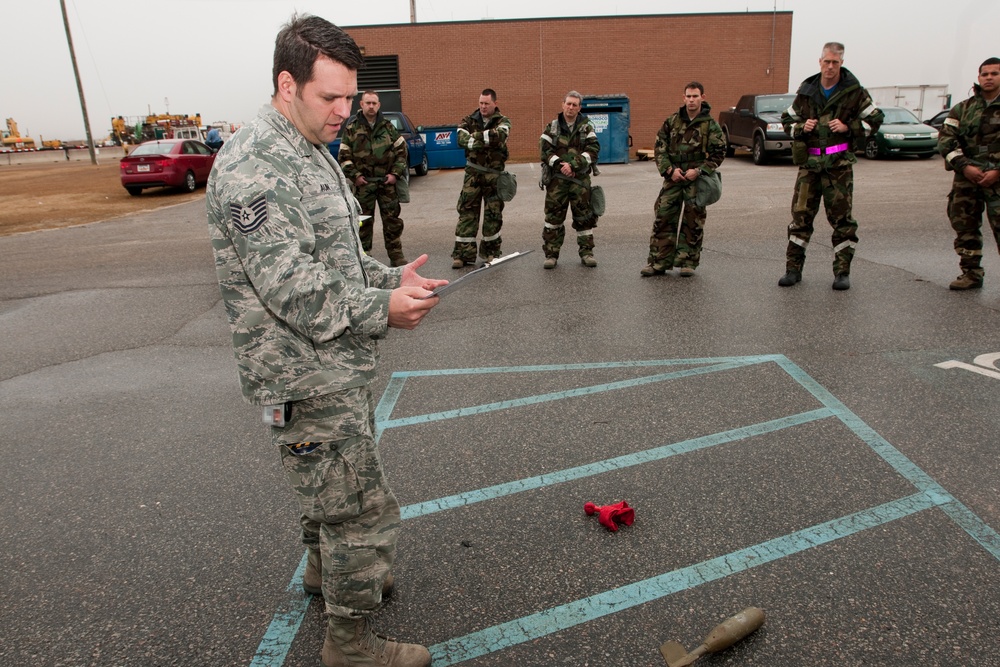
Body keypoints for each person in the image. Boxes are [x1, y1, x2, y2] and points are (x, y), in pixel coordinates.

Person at [206, 14, 445, 667]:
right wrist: (383, 309)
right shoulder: (258, 164)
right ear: (287, 84)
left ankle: (327, 574)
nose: (345, 110)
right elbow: (294, 289)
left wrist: (394, 278)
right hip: (301, 374)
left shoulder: (306, 145)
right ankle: (351, 644)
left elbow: (336, 258)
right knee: (359, 507)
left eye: (350, 96)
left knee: (328, 490)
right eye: (330, 97)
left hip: (327, 363)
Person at [778, 42, 883, 291]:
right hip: (810, 166)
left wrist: (850, 128)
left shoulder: (854, 92)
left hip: (838, 166)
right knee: (800, 218)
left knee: (842, 220)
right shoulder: (807, 91)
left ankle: (842, 273)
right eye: (827, 61)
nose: (830, 66)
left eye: (835, 62)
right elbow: (786, 120)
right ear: (820, 62)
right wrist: (801, 128)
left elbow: (876, 120)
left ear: (841, 63)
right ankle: (793, 270)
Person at [641, 82, 726, 277]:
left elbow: (719, 152)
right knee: (663, 217)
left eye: (695, 96)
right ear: (683, 98)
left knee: (693, 220)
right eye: (688, 96)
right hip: (674, 178)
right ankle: (658, 261)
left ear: (702, 97)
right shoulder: (672, 121)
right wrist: (669, 170)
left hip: (696, 180)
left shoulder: (710, 125)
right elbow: (660, 147)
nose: (691, 100)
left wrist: (700, 170)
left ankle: (688, 261)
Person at [938, 57, 1000, 290]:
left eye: (994, 73)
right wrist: (965, 166)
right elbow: (945, 140)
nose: (989, 78)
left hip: (998, 179)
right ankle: (971, 272)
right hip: (967, 178)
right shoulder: (962, 108)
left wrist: (997, 171)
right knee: (965, 226)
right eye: (985, 74)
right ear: (979, 76)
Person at [339, 90, 410, 267]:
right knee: (362, 222)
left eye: (374, 103)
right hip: (363, 185)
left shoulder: (389, 127)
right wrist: (355, 177)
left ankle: (396, 255)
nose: (371, 106)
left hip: (386, 183)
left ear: (379, 105)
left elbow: (402, 152)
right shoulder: (351, 129)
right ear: (361, 104)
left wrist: (395, 174)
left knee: (392, 221)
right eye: (368, 103)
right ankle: (365, 257)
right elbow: (344, 156)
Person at [539, 91, 601, 269]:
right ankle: (551, 255)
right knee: (553, 219)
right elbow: (544, 151)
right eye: (568, 104)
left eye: (575, 105)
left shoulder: (586, 127)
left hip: (580, 183)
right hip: (557, 183)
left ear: (579, 107)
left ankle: (587, 253)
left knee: (585, 218)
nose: (571, 107)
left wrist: (573, 165)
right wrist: (560, 165)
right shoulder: (552, 127)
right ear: (562, 104)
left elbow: (594, 150)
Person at [451, 88, 512, 268]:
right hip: (473, 174)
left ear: (495, 103)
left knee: (493, 213)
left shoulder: (503, 121)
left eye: (486, 103)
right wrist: (485, 139)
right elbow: (461, 139)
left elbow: (499, 136)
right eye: (481, 103)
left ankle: (490, 253)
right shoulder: (468, 120)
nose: (483, 107)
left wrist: (474, 139)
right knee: (467, 212)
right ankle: (462, 255)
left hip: (494, 176)